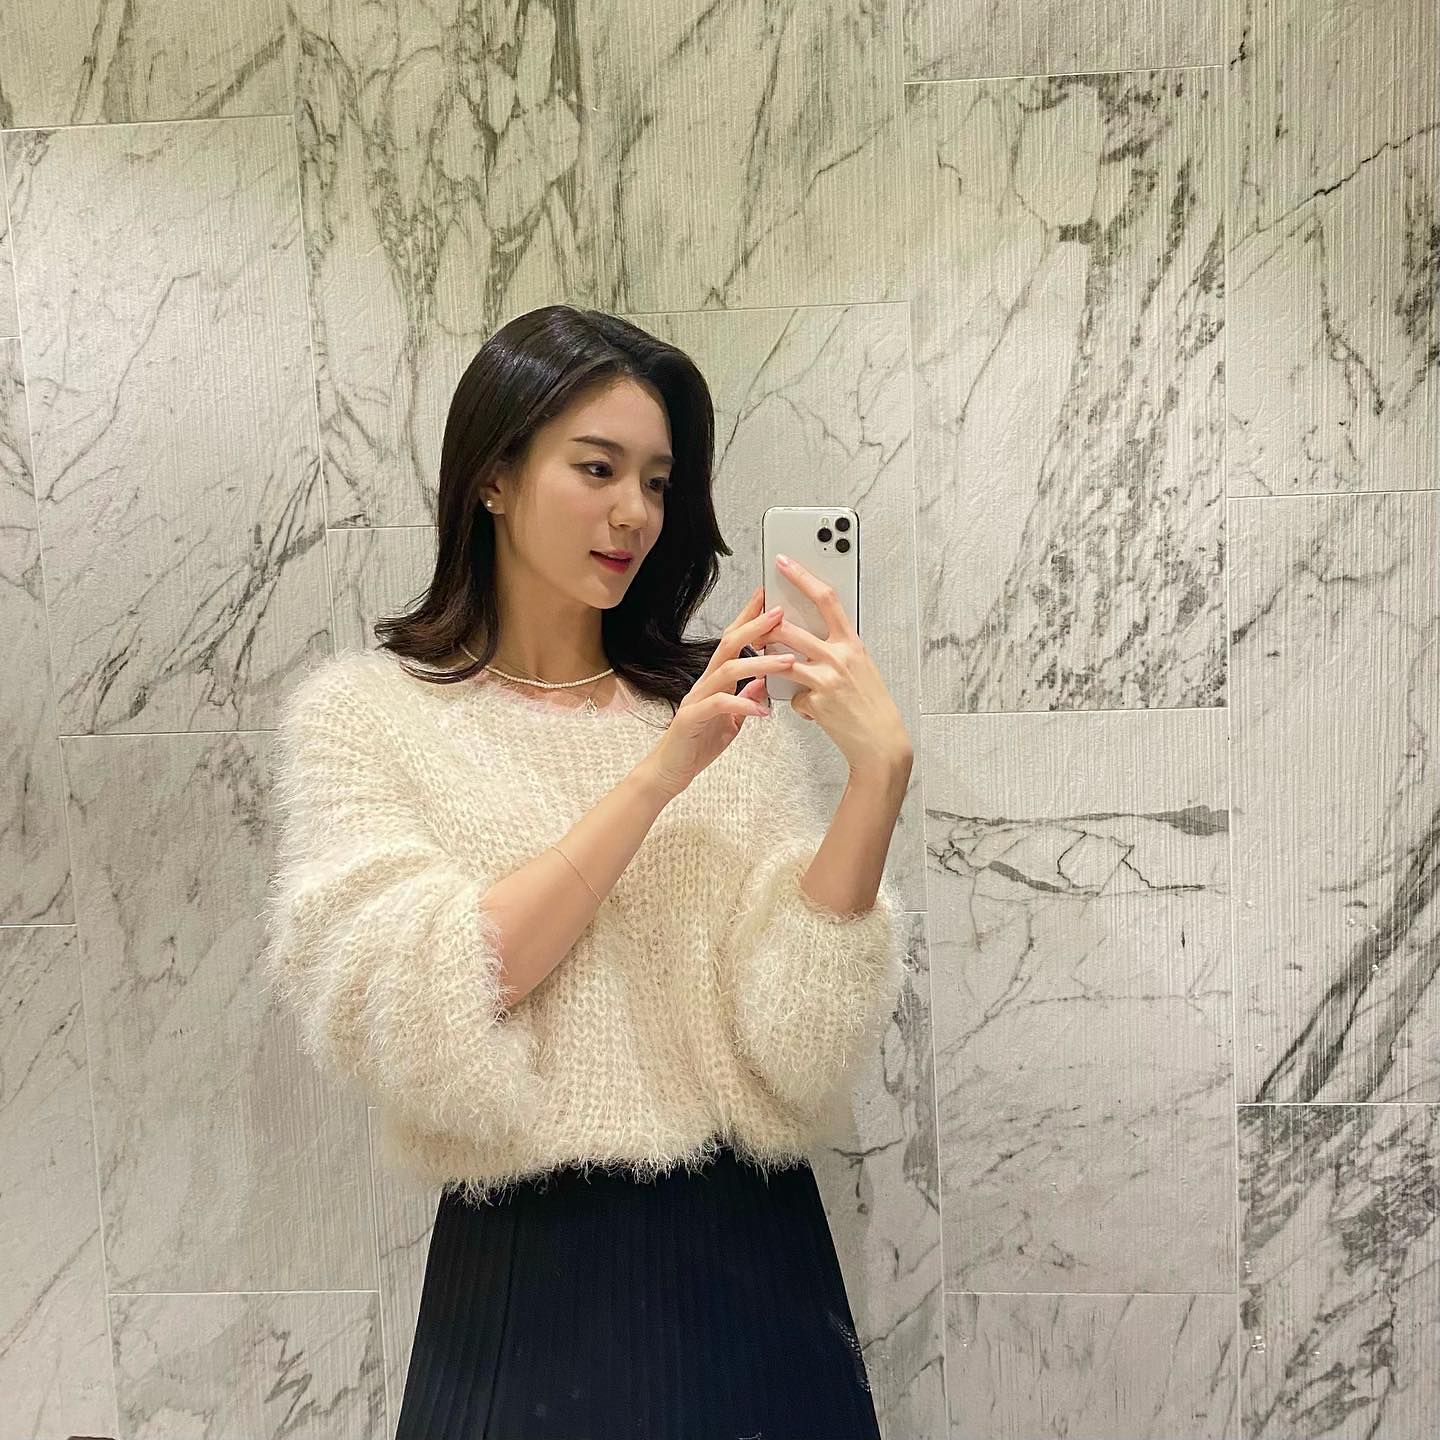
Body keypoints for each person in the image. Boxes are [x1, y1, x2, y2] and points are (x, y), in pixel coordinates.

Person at [261, 304, 913, 1438]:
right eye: (598, 468)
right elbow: (421, 998)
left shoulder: (721, 715)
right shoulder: (368, 720)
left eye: (657, 482)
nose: (635, 514)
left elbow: (797, 1046)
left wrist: (877, 782)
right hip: (528, 1266)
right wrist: (657, 776)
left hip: (756, 1250)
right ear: (494, 476)